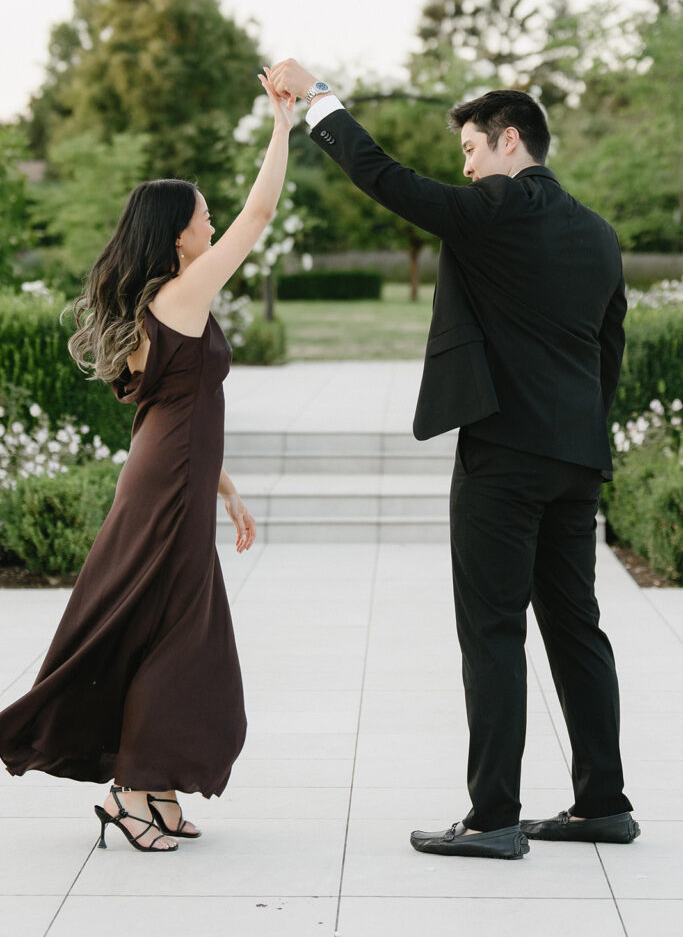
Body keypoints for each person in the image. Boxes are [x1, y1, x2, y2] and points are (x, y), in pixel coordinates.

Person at [269, 59, 639, 860]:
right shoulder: (597, 233)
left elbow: (384, 179)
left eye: (471, 149)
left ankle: (493, 818)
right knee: (577, 629)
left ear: (511, 142)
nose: (464, 168)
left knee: (493, 632)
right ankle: (602, 804)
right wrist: (577, 434)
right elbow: (607, 353)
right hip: (575, 458)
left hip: (503, 455)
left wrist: (317, 101)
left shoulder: (496, 208)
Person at [0, 68, 295, 852]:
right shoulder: (183, 292)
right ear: (179, 233)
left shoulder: (161, 301)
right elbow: (261, 211)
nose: (213, 222)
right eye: (203, 215)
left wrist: (226, 490)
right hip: (166, 485)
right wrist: (282, 124)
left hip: (171, 474)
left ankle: (150, 786)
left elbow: (179, 409)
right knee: (174, 635)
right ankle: (133, 793)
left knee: (165, 629)